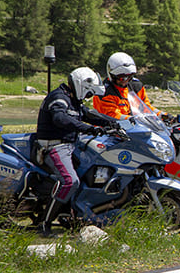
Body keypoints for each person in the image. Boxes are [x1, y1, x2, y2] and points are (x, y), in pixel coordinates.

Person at [36, 67, 115, 235]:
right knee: (70, 181)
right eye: (89, 94)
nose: (89, 97)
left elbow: (89, 114)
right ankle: (44, 223)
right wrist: (89, 129)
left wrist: (112, 123)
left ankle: (79, 216)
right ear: (81, 86)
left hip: (72, 145)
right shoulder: (59, 98)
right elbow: (60, 118)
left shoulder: (74, 101)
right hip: (55, 146)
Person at [93, 52, 170, 121]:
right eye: (122, 77)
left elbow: (147, 108)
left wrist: (162, 115)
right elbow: (112, 115)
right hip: (109, 131)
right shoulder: (104, 92)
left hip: (135, 128)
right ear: (112, 75)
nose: (125, 80)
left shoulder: (136, 86)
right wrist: (131, 119)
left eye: (129, 77)